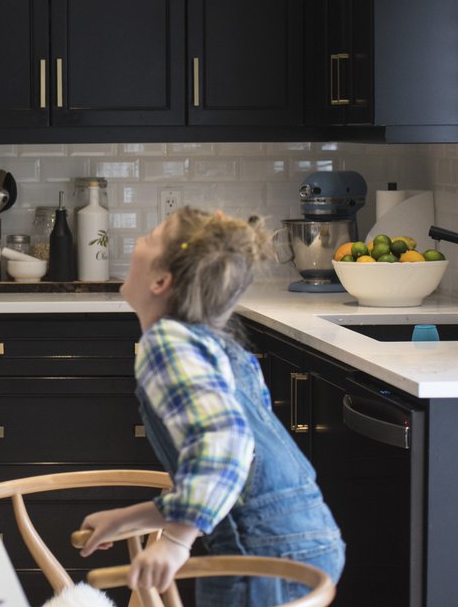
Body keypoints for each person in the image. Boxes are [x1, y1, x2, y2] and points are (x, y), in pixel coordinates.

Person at [78, 207, 344, 606]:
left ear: (161, 281)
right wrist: (130, 519)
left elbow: (224, 443)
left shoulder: (166, 342)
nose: (137, 242)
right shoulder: (210, 343)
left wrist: (174, 540)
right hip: (304, 535)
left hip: (259, 553)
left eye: (150, 238)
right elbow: (234, 474)